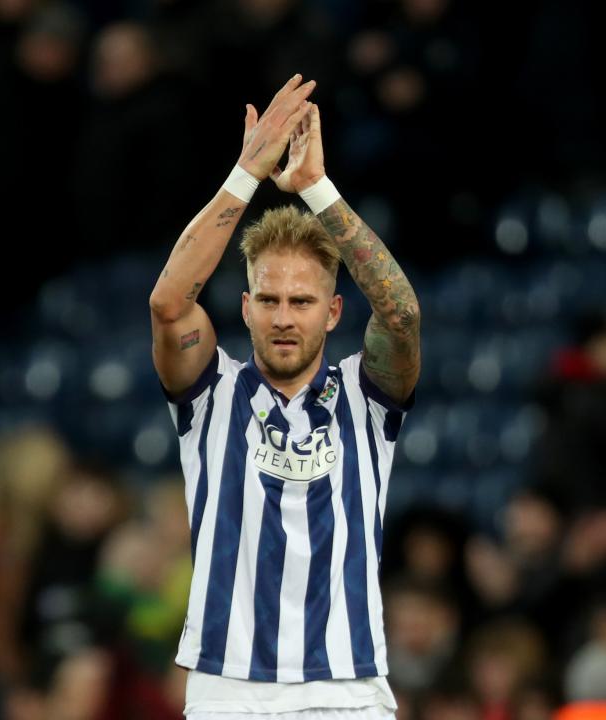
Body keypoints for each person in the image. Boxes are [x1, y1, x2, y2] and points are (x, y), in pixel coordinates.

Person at [148, 74, 421, 718]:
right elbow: (168, 302)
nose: (283, 317)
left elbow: (402, 317)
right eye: (268, 300)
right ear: (245, 308)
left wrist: (317, 191)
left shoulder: (367, 392)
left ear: (332, 312)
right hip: (227, 691)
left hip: (348, 690)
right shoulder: (209, 393)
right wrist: (246, 172)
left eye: (301, 302)